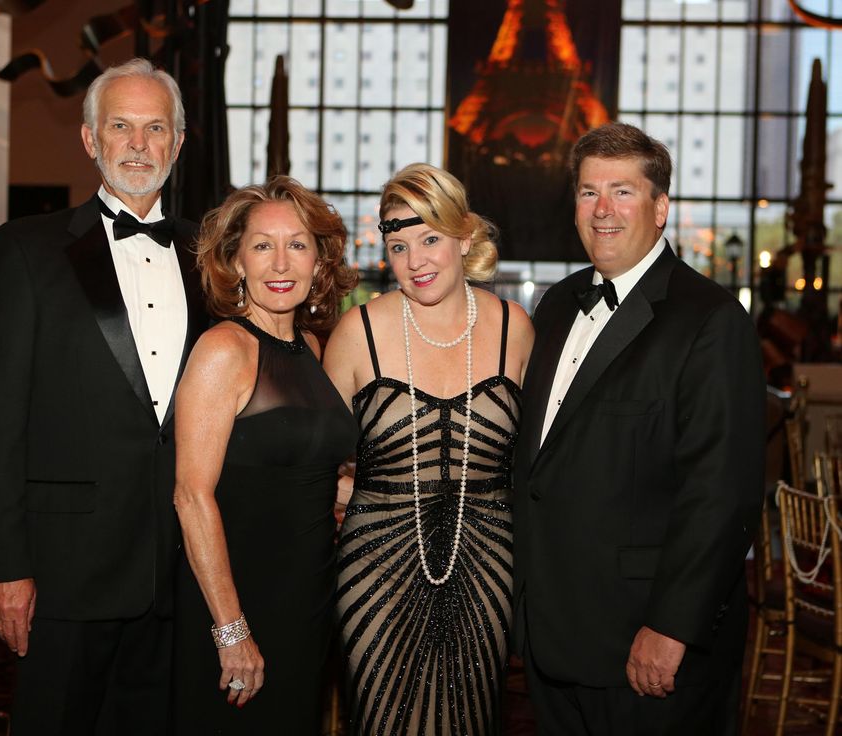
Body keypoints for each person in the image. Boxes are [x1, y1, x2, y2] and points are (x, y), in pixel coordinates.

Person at [0, 58, 208, 735]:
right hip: (65, 570)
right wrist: (4, 567)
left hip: (182, 570)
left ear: (178, 143)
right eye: (120, 126)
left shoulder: (209, 255)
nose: (138, 144)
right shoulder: (27, 248)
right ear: (89, 139)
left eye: (155, 128)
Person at [512, 122, 765, 734]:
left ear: (660, 207)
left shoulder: (710, 319)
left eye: (622, 191)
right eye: (588, 192)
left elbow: (721, 494)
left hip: (642, 640)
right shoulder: (556, 305)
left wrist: (671, 626)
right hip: (551, 632)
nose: (603, 209)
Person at [324, 163, 533, 735]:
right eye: (399, 246)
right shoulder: (357, 333)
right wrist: (343, 489)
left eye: (430, 239)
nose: (415, 261)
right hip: (375, 569)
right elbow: (312, 458)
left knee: (470, 719)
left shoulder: (515, 329)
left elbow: (538, 461)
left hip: (487, 564)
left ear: (464, 238)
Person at [173, 176, 358, 733]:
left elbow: (304, 468)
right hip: (238, 600)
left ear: (318, 262)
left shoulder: (311, 347)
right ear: (237, 261)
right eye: (262, 246)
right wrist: (231, 631)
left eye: (297, 245)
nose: (280, 263)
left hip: (306, 599)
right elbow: (191, 496)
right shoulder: (223, 349)